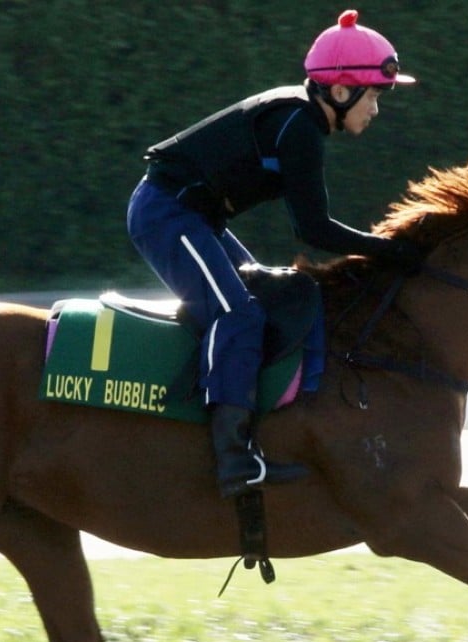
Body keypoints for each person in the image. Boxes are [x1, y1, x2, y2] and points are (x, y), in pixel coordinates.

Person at [127, 9, 422, 499]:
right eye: (372, 95)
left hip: (191, 216)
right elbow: (314, 229)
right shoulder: (299, 128)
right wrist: (386, 251)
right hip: (165, 213)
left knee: (258, 304)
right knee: (238, 314)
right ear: (342, 91)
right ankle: (232, 460)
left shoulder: (302, 119)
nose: (375, 108)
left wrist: (382, 251)